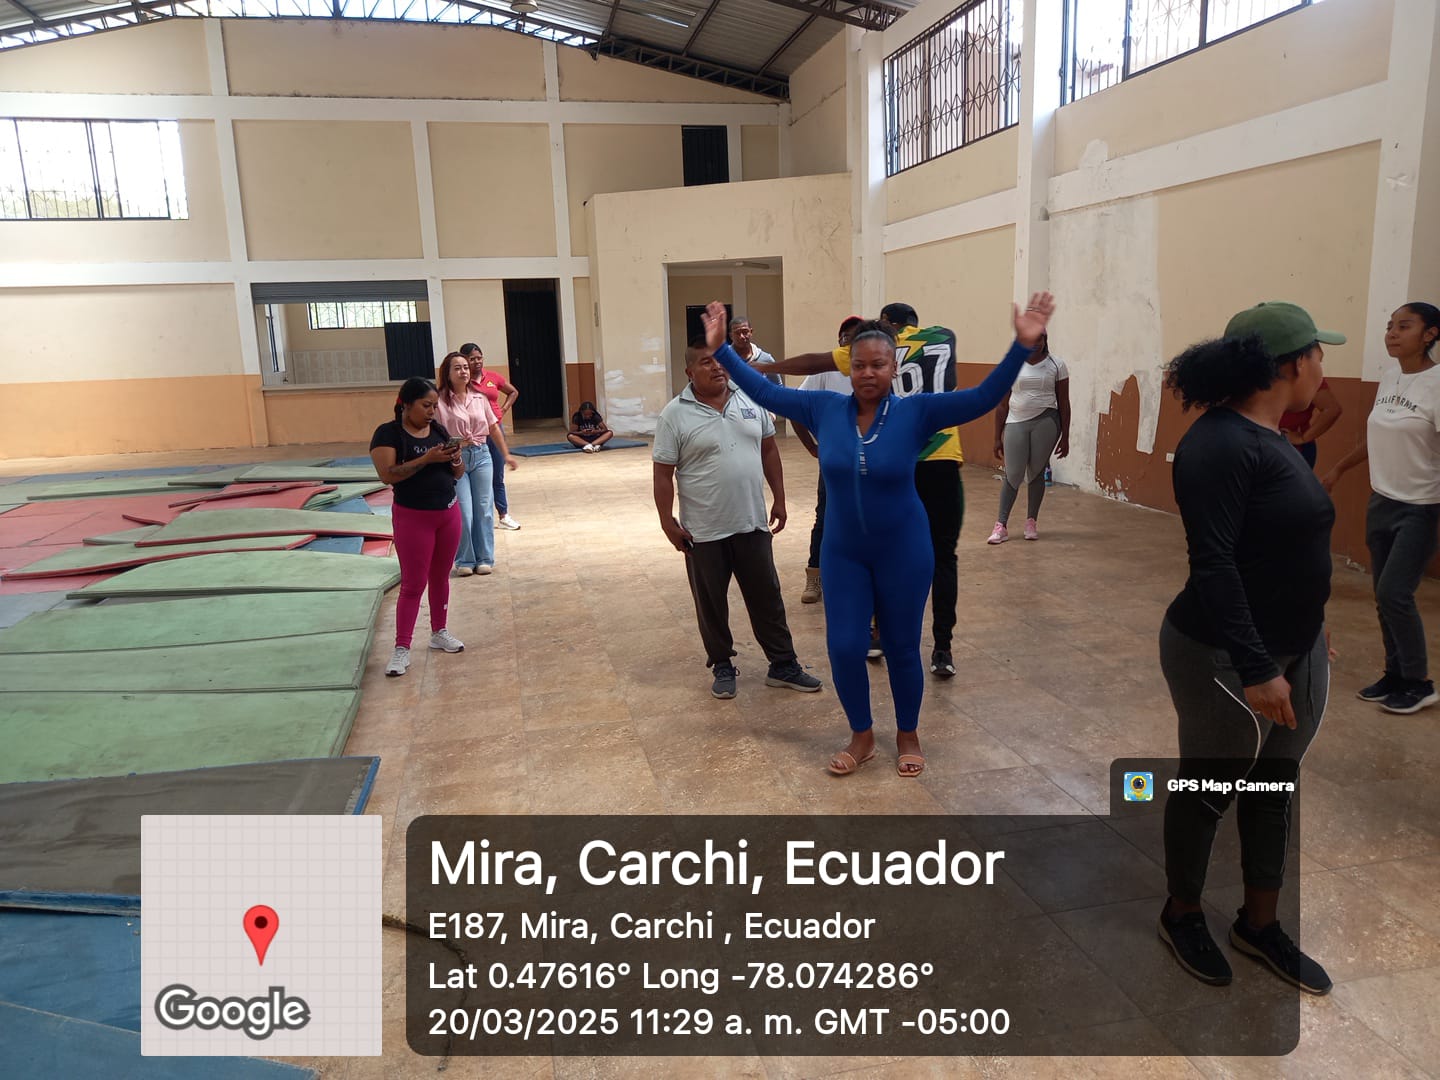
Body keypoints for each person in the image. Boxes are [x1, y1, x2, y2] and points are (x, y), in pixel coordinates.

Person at [704, 294, 1054, 777]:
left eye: (878, 365)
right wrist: (721, 349)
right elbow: (764, 392)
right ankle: (862, 736)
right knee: (845, 647)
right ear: (849, 368)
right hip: (844, 553)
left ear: (894, 367)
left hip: (903, 551)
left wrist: (1021, 346)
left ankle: (908, 734)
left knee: (902, 646)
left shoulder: (917, 413)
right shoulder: (823, 407)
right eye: (859, 365)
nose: (868, 373)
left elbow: (982, 397)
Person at [1157, 301, 1343, 996]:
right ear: (1287, 365)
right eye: (1318, 354)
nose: (1323, 367)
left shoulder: (1274, 435)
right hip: (1223, 653)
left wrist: (1313, 620)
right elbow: (1215, 564)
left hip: (1298, 645)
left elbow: (1287, 546)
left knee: (1273, 786)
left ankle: (1259, 925)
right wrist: (1258, 668)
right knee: (1210, 787)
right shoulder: (1219, 445)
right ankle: (1181, 914)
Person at [760, 302, 965, 679]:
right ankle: (942, 648)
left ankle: (877, 632)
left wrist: (764, 369)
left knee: (875, 545)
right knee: (943, 556)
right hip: (941, 459)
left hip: (891, 456)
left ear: (888, 325)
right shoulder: (940, 337)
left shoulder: (879, 345)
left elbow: (813, 362)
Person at [653, 337, 824, 701]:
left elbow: (769, 449)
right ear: (689, 372)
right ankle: (722, 665)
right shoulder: (674, 414)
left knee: (767, 597)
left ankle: (783, 664)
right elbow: (662, 473)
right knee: (711, 603)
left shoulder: (750, 400)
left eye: (721, 361)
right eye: (706, 362)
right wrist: (668, 522)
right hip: (703, 530)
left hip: (752, 522)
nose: (717, 367)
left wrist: (779, 498)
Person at [1323, 301, 1440, 714]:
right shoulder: (1390, 377)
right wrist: (1339, 468)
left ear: (1430, 334)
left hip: (1420, 507)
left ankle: (1419, 683)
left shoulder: (1437, 383)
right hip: (1382, 501)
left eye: (1404, 326)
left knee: (1395, 593)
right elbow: (1376, 437)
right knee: (1383, 594)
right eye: (1390, 326)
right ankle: (1395, 674)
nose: (1392, 333)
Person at [369, 377, 468, 677]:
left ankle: (439, 631)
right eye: (426, 405)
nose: (431, 412)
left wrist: (455, 459)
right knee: (413, 584)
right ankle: (402, 648)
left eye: (434, 406)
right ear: (406, 404)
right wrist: (427, 458)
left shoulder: (438, 431)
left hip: (447, 514)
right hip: (413, 518)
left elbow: (458, 474)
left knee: (440, 576)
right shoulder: (388, 434)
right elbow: (388, 474)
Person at [793, 316, 863, 605]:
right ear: (839, 342)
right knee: (826, 517)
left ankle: (861, 578)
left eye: (858, 336)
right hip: (835, 461)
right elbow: (796, 406)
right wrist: (812, 447)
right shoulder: (826, 369)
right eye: (847, 337)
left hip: (871, 459)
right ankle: (815, 576)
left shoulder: (873, 369)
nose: (851, 342)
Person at [434, 352, 518, 577]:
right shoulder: (439, 401)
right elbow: (435, 433)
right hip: (456, 458)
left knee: (484, 509)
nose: (463, 371)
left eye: (465, 367)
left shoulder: (480, 398)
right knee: (464, 512)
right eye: (457, 368)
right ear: (447, 373)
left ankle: (484, 558)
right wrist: (453, 447)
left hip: (482, 456)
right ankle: (465, 559)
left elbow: (493, 427)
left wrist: (506, 454)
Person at [988, 333, 1070, 543]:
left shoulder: (1057, 365)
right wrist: (997, 437)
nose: (1034, 344)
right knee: (1013, 474)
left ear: (1045, 340)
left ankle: (1031, 521)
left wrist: (1065, 436)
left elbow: (1064, 402)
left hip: (1046, 422)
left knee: (1036, 472)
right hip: (1015, 422)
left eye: (1038, 340)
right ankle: (1001, 525)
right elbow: (1002, 404)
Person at [461, 343, 522, 531]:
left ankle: (503, 515)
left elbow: (513, 392)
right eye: (472, 359)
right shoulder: (463, 381)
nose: (477, 362)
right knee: (476, 476)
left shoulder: (493, 377)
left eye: (479, 358)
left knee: (497, 474)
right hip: (474, 433)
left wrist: (503, 409)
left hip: (494, 429)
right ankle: (474, 518)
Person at [1280, 378, 1342, 469]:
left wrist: (1303, 438)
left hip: (1292, 447)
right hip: (1266, 443)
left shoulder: (1305, 375)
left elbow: (1332, 409)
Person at [729, 315, 782, 387]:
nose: (741, 336)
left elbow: (777, 387)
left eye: (745, 332)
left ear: (751, 332)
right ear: (731, 336)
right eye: (737, 333)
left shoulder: (766, 360)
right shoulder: (723, 360)